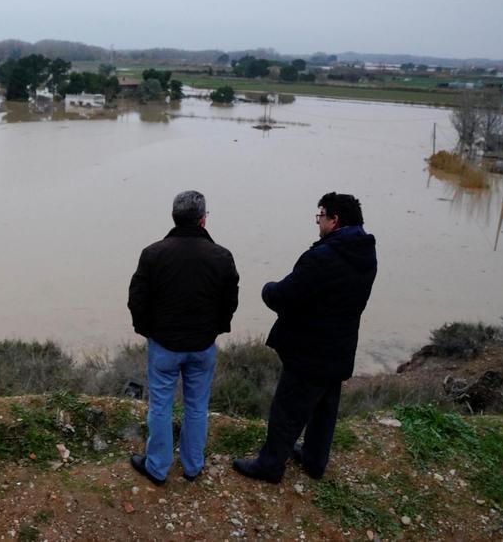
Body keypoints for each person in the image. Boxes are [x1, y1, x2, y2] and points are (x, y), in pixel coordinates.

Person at [233, 192, 377, 484]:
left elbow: (284, 296)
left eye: (320, 216)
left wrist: (267, 288)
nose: (318, 222)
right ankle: (314, 461)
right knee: (325, 408)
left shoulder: (323, 257)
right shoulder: (365, 253)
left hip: (310, 350)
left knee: (287, 409)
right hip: (341, 347)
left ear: (334, 220)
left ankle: (270, 466)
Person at [127, 190, 239, 485]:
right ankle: (192, 466)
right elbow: (230, 301)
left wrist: (147, 330)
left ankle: (158, 467)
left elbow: (137, 299)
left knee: (161, 406)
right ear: (203, 220)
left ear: (174, 217)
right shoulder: (221, 256)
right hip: (202, 346)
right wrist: (216, 329)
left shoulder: (153, 254)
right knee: (197, 406)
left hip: (164, 346)